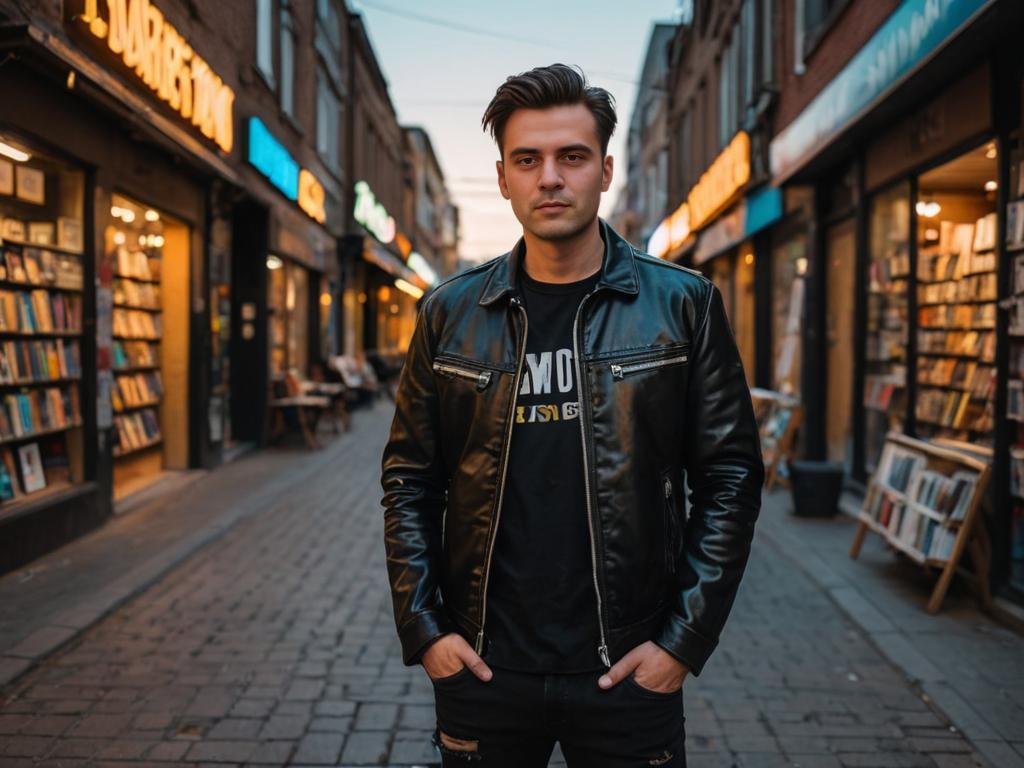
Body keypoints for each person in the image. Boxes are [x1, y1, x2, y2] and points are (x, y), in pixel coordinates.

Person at [380, 63, 764, 767]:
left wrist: (682, 641)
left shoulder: (683, 304)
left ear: (606, 169)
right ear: (502, 178)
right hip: (482, 668)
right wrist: (427, 630)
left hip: (629, 668)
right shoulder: (449, 313)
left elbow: (731, 477)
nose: (549, 177)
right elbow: (409, 479)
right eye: (528, 160)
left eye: (572, 157)